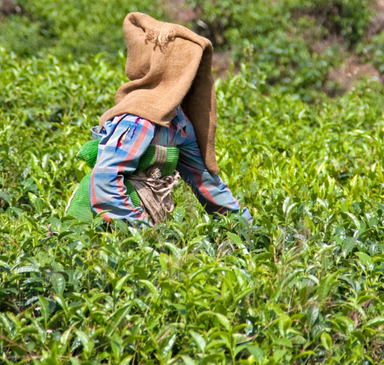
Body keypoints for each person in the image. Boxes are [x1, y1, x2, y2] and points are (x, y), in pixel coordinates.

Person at [78, 12, 253, 226]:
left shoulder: (178, 123)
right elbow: (105, 182)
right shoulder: (137, 119)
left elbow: (204, 181)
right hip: (99, 225)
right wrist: (140, 233)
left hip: (145, 215)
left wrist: (244, 225)